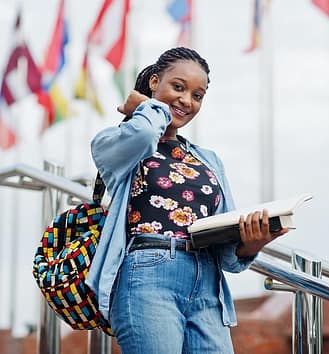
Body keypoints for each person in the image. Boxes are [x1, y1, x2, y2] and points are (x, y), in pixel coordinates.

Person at [86, 47, 288, 354]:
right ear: (154, 81)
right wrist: (148, 108)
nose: (186, 101)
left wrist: (253, 242)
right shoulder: (115, 142)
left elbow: (228, 256)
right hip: (147, 278)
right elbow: (142, 135)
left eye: (197, 95)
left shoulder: (209, 160)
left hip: (208, 284)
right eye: (178, 87)